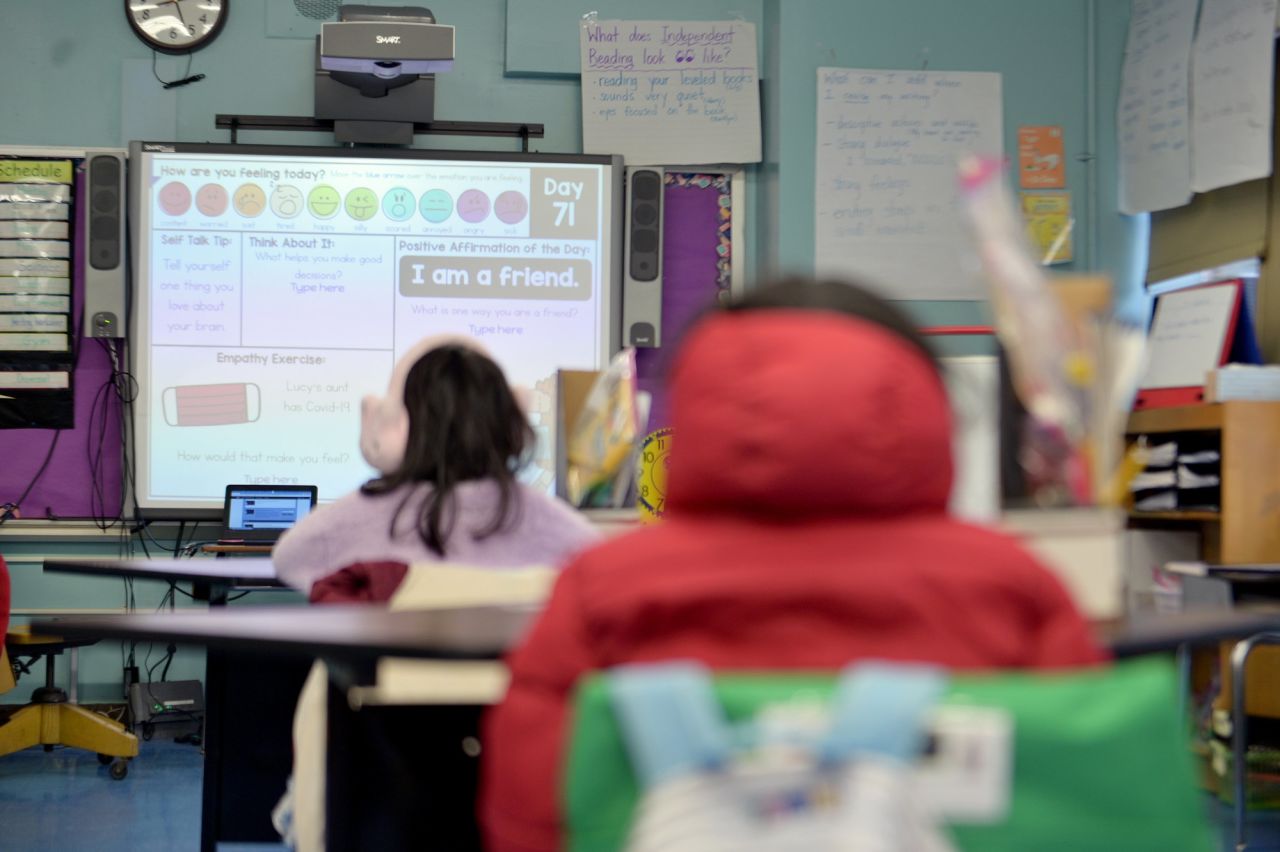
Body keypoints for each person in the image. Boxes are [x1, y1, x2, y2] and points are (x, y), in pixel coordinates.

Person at [479, 277, 1106, 852]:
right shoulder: (1011, 582)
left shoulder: (602, 586)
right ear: (924, 403)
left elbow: (534, 801)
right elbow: (1090, 796)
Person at [272, 337, 598, 592]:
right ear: (508, 419)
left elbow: (288, 558)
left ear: (407, 422)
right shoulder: (543, 519)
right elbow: (600, 568)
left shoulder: (360, 515)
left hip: (386, 675)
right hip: (510, 676)